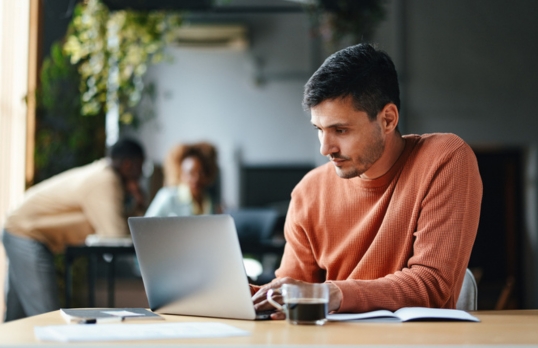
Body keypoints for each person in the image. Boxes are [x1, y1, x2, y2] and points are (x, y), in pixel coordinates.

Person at [252, 43, 483, 318]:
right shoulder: (309, 191)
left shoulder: (444, 159)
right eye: (319, 130)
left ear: (387, 119)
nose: (326, 149)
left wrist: (331, 293)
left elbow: (431, 285)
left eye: (341, 130)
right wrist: (245, 295)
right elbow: (288, 296)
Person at [2, 138, 145, 321]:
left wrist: (135, 203)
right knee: (47, 317)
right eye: (140, 166)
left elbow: (110, 222)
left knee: (16, 318)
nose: (141, 173)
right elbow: (115, 235)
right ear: (128, 164)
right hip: (26, 233)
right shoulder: (105, 180)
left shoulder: (103, 175)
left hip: (19, 229)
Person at [145, 142, 220, 217]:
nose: (196, 178)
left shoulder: (209, 199)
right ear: (181, 174)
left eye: (201, 173)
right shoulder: (167, 197)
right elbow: (146, 225)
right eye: (191, 173)